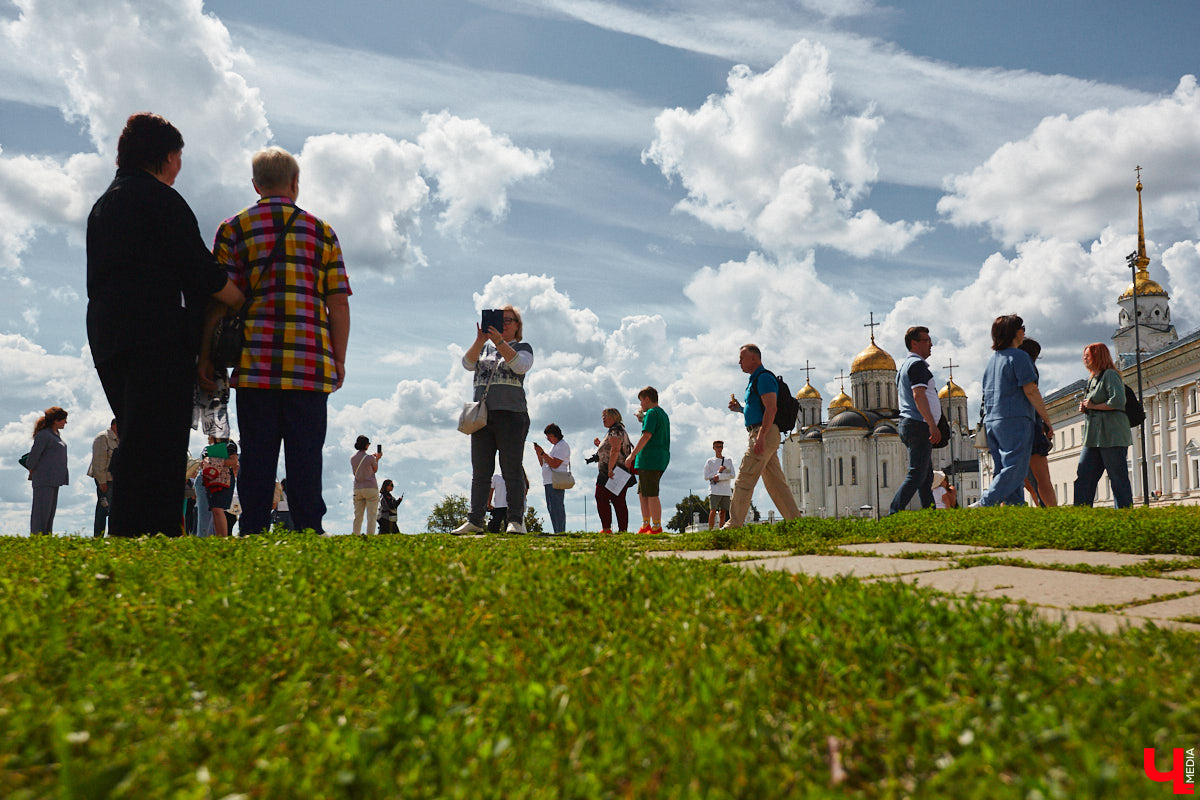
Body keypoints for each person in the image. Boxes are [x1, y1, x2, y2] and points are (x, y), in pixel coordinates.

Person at [87, 112, 244, 537]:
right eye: (179, 156)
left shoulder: (105, 204)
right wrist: (237, 297)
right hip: (156, 332)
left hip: (108, 332)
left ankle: (127, 528)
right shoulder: (160, 199)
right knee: (160, 441)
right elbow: (199, 269)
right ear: (168, 157)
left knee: (137, 433)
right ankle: (153, 531)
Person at [208, 146, 351, 536]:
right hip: (309, 363)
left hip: (255, 364)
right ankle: (308, 527)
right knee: (306, 453)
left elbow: (220, 297)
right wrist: (338, 359)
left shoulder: (233, 228)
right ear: (295, 183)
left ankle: (253, 527)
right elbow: (337, 301)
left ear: (255, 184)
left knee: (257, 453)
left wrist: (208, 357)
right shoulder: (321, 231)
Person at [455, 305, 534, 535]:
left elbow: (521, 366)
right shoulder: (484, 349)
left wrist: (500, 342)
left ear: (518, 326)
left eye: (510, 320)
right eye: (502, 319)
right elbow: (467, 364)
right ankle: (475, 520)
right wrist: (480, 340)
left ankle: (516, 521)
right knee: (481, 472)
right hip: (483, 416)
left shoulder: (522, 347)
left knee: (511, 469)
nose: (505, 323)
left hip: (511, 414)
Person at [975, 315, 1053, 507]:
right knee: (1015, 467)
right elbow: (1031, 390)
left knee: (1002, 468)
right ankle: (985, 503)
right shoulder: (1019, 356)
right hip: (1014, 418)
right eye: (1022, 328)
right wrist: (1046, 420)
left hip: (993, 420)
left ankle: (1014, 507)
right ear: (1016, 332)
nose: (1024, 332)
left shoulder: (992, 361)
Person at [724, 345, 801, 529]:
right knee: (776, 483)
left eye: (742, 358)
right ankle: (796, 523)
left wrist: (761, 437)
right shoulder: (754, 380)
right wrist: (740, 409)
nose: (739, 362)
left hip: (763, 433)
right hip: (762, 432)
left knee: (745, 477)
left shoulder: (764, 378)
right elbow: (758, 410)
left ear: (754, 359)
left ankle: (733, 525)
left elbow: (771, 408)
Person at [1073, 343, 1134, 508]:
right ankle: (1080, 515)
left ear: (1098, 356)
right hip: (1093, 437)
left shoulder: (1110, 375)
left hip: (1112, 435)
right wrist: (1086, 408)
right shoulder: (1092, 378)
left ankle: (1124, 514)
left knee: (1117, 477)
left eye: (1088, 356)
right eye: (1084, 356)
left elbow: (1118, 401)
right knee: (1084, 476)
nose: (1084, 359)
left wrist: (1092, 406)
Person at [888, 326, 941, 515]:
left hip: (912, 423)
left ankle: (931, 514)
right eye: (927, 340)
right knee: (917, 474)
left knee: (925, 477)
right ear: (914, 343)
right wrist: (932, 425)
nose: (931, 344)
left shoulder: (905, 366)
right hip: (919, 424)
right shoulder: (916, 365)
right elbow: (919, 396)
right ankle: (894, 513)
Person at [626, 386, 670, 534]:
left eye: (641, 401)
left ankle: (656, 526)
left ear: (647, 398)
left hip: (650, 458)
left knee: (651, 493)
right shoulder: (661, 413)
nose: (641, 405)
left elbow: (647, 435)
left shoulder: (651, 413)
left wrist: (632, 455)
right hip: (657, 458)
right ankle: (646, 524)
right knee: (643, 492)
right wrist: (643, 420)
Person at [1018, 338, 1057, 507]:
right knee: (1041, 479)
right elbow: (1032, 394)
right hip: (1030, 426)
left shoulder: (1010, 366)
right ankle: (1052, 513)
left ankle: (1043, 508)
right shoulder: (1029, 369)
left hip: (1013, 428)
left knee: (1021, 480)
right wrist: (1046, 422)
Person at [27, 406, 69, 536]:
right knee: (41, 511)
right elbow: (33, 457)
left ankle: (46, 537)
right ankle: (37, 537)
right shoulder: (44, 435)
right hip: (44, 478)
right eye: (63, 420)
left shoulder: (56, 435)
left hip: (54, 479)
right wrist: (32, 469)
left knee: (49, 512)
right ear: (56, 420)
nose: (65, 423)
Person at [592, 408, 633, 534]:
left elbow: (615, 449)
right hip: (619, 470)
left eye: (606, 416)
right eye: (602, 416)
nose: (603, 418)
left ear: (614, 417)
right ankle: (621, 530)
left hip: (613, 471)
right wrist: (600, 445)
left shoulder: (615, 430)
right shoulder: (617, 430)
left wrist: (610, 469)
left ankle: (607, 529)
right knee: (618, 501)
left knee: (602, 497)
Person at [534, 424, 572, 533]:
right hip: (549, 481)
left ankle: (560, 531)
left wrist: (542, 453)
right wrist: (539, 453)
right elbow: (544, 463)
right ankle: (557, 530)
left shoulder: (562, 446)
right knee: (552, 508)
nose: (548, 439)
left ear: (556, 435)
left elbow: (555, 464)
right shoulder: (554, 447)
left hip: (556, 481)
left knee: (557, 507)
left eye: (549, 436)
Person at [201, 437, 239, 537]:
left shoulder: (229, 444)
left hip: (224, 480)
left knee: (218, 509)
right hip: (211, 479)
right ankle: (219, 537)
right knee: (215, 509)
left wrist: (214, 461)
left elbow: (234, 461)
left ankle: (222, 537)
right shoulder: (209, 447)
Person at [88, 418, 118, 538]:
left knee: (111, 509)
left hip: (115, 480)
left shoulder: (119, 437)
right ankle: (98, 536)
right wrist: (102, 482)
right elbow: (98, 462)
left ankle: (110, 535)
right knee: (104, 508)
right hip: (106, 480)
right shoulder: (103, 438)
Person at [351, 435, 381, 535]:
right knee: (371, 515)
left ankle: (356, 534)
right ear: (366, 445)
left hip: (357, 488)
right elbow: (375, 469)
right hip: (371, 488)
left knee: (358, 516)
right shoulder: (370, 458)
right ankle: (370, 536)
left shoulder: (353, 458)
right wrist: (377, 459)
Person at [703, 440, 736, 529]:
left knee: (723, 512)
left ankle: (721, 530)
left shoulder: (728, 460)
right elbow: (706, 476)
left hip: (726, 491)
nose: (719, 449)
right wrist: (718, 472)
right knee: (713, 510)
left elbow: (732, 475)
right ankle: (710, 530)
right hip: (714, 490)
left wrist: (720, 477)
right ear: (713, 448)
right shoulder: (710, 461)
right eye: (717, 447)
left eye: (720, 447)